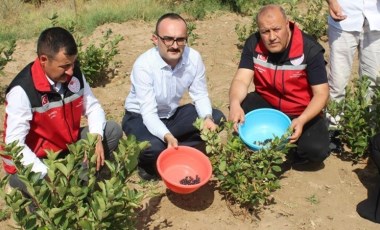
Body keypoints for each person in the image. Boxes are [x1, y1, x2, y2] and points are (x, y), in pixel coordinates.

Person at [1, 27, 123, 191]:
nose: (71, 71)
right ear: (44, 60)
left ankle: (79, 184)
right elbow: (15, 145)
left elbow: (93, 107)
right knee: (43, 191)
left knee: (111, 131)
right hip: (37, 158)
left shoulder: (73, 74)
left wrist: (96, 139)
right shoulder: (22, 91)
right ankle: (53, 189)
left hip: (65, 148)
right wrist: (49, 175)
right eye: (65, 66)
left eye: (73, 63)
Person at [121, 13, 225, 180]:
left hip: (171, 115)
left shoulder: (193, 58)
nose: (175, 46)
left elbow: (200, 94)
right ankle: (148, 162)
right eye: (168, 39)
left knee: (217, 118)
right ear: (155, 39)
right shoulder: (144, 65)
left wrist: (206, 117)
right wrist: (167, 135)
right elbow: (148, 114)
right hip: (139, 117)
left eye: (180, 40)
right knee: (151, 147)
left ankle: (173, 149)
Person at [228, 5, 330, 169]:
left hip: (301, 110)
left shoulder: (309, 49)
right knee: (240, 109)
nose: (272, 37)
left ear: (288, 24)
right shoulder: (253, 44)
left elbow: (321, 94)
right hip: (267, 103)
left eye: (277, 29)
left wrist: (302, 120)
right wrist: (234, 104)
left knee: (316, 150)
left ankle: (293, 153)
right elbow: (241, 80)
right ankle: (256, 148)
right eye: (265, 32)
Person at [326, 0, 380, 126]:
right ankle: (334, 127)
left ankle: (369, 128)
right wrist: (331, 2)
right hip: (343, 17)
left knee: (372, 82)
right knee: (337, 82)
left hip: (376, 19)